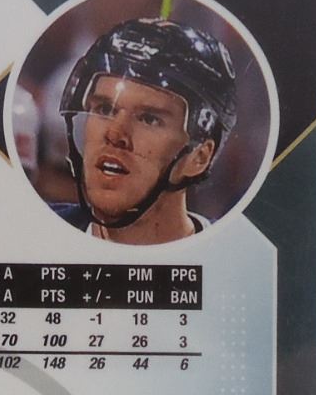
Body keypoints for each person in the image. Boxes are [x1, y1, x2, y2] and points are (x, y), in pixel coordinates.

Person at [54, 18, 238, 244]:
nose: (115, 134)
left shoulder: (235, 256)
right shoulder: (34, 231)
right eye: (105, 109)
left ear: (199, 156)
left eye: (149, 119)